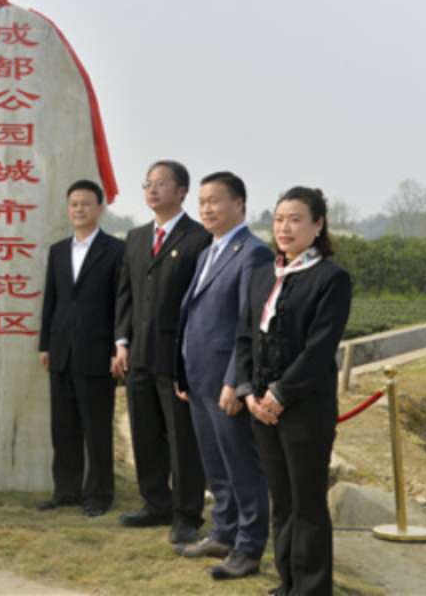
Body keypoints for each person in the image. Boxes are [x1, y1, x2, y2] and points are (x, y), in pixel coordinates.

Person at [236, 187, 351, 596]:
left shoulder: (331, 279)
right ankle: (287, 583)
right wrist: (249, 393)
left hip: (305, 408)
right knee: (281, 500)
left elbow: (319, 349)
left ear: (318, 225)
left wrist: (281, 394)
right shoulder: (262, 276)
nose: (284, 227)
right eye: (279, 219)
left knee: (308, 504)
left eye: (296, 219)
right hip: (261, 408)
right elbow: (244, 339)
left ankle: (312, 589)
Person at [174, 172, 273, 580]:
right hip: (199, 378)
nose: (206, 209)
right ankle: (223, 532)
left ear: (239, 204)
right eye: (201, 202)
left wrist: (235, 380)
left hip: (226, 381)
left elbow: (249, 325)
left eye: (214, 200)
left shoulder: (253, 253)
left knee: (241, 467)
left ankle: (248, 548)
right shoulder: (208, 252)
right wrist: (183, 372)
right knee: (216, 467)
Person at [112, 160, 209, 544]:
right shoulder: (136, 238)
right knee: (145, 432)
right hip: (138, 355)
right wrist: (121, 341)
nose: (152, 190)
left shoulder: (198, 238)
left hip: (177, 358)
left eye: (161, 183)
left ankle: (186, 514)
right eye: (148, 184)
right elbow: (125, 294)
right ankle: (156, 503)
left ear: (182, 190)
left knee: (182, 439)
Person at [38, 180, 125, 517]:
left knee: (96, 428)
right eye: (74, 204)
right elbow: (52, 300)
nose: (79, 210)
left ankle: (100, 495)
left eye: (86, 204)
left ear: (100, 208)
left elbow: (121, 303)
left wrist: (119, 346)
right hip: (61, 350)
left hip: (97, 351)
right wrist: (45, 344)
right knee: (63, 427)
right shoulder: (58, 251)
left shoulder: (115, 250)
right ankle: (66, 492)